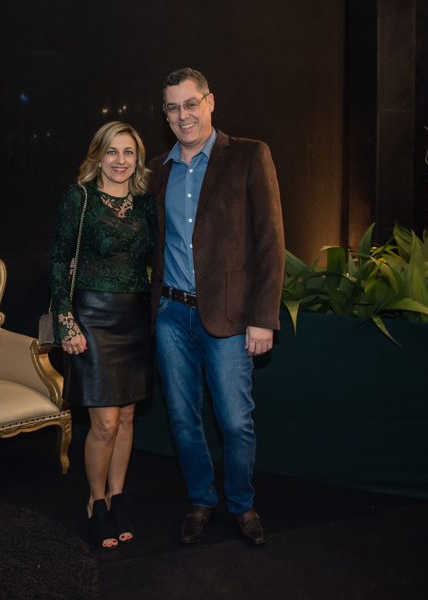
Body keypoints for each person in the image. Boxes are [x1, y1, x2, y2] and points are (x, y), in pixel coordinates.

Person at [148, 68, 284, 545]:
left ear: (209, 102)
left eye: (190, 103)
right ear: (165, 115)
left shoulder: (249, 155)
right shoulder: (157, 170)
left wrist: (263, 319)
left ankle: (242, 504)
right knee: (182, 420)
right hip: (171, 316)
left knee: (234, 422)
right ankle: (202, 499)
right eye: (172, 108)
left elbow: (270, 242)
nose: (182, 115)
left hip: (230, 319)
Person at [48, 121, 156, 549]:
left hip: (136, 317)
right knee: (105, 422)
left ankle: (117, 497)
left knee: (127, 416)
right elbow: (59, 259)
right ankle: (95, 501)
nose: (120, 160)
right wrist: (64, 319)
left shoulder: (146, 203)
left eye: (128, 152)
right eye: (112, 151)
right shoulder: (79, 198)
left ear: (138, 159)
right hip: (91, 317)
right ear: (98, 155)